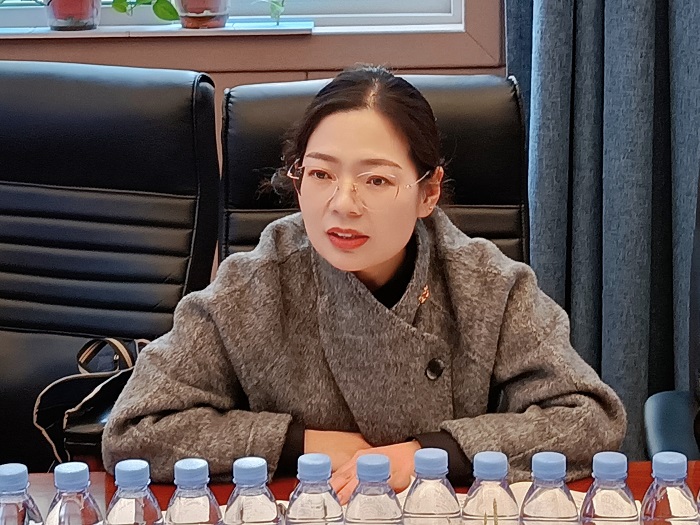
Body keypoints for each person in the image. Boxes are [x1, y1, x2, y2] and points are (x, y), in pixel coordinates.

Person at [102, 65, 627, 502]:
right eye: (321, 174)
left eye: (376, 179)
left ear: (428, 192)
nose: (343, 204)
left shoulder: (487, 284)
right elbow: (133, 430)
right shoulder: (254, 285)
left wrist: (430, 453)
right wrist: (300, 443)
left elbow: (591, 420)